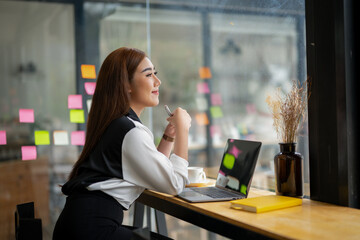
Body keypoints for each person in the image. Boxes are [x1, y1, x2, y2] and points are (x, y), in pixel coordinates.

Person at [53, 47, 191, 240]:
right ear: (126, 84)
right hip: (93, 231)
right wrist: (183, 131)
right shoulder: (130, 131)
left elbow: (154, 172)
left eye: (155, 74)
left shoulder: (117, 123)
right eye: (149, 74)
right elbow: (175, 184)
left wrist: (169, 137)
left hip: (79, 225)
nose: (157, 81)